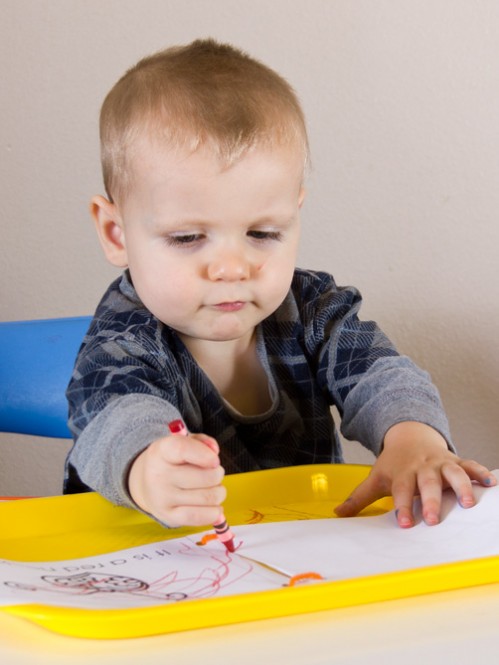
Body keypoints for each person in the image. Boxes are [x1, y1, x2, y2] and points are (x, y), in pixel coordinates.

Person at [65, 38, 496, 531]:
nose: (232, 267)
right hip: (154, 562)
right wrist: (145, 467)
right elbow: (112, 414)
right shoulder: (124, 338)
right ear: (115, 233)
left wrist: (413, 437)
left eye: (262, 233)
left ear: (295, 213)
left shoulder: (314, 309)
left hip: (300, 558)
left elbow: (379, 375)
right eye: (187, 238)